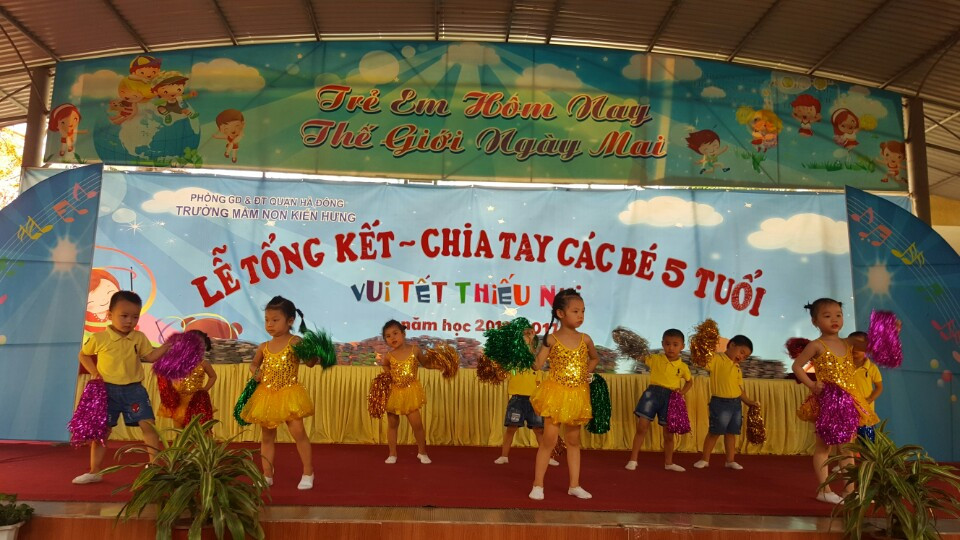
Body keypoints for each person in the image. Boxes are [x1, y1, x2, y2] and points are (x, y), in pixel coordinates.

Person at [72, 291, 171, 484]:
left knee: (148, 426)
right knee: (102, 432)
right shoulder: (100, 338)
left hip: (134, 390)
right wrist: (94, 372)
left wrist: (165, 347)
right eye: (124, 316)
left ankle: (154, 467)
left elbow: (150, 356)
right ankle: (95, 471)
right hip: (107, 391)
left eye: (135, 317)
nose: (129, 321)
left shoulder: (139, 337)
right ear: (109, 315)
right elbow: (83, 355)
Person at [791, 298, 879, 504]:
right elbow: (797, 366)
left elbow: (873, 345)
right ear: (815, 321)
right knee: (823, 447)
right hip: (828, 402)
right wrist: (812, 385)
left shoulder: (848, 343)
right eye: (827, 316)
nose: (834, 319)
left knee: (848, 450)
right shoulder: (816, 345)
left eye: (838, 315)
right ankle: (824, 490)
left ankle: (850, 491)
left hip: (849, 402)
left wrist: (890, 331)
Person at [528, 288, 599, 501]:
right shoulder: (551, 339)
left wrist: (586, 373)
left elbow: (594, 358)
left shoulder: (585, 339)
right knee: (549, 441)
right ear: (560, 313)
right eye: (575, 311)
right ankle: (538, 485)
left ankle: (574, 485)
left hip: (577, 395)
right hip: (556, 395)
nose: (581, 316)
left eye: (583, 311)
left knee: (573, 441)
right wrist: (528, 346)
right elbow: (537, 365)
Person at [240, 296, 315, 490]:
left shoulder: (295, 342)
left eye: (275, 320)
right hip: (268, 394)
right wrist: (255, 372)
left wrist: (316, 354)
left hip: (289, 393)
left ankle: (308, 472)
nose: (269, 324)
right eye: (266, 320)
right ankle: (267, 474)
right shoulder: (264, 346)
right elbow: (254, 364)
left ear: (290, 321)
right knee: (266, 436)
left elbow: (310, 362)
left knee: (298, 432)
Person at [626, 329, 693, 472]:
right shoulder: (655, 358)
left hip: (670, 399)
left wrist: (682, 392)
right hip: (652, 395)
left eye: (675, 345)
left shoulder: (683, 367)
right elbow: (639, 356)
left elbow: (689, 382)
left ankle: (669, 463)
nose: (671, 348)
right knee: (641, 427)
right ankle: (633, 460)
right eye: (667, 344)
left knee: (668, 434)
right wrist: (629, 345)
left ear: (682, 346)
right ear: (662, 344)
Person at [692, 335, 760, 470]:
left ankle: (730, 460)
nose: (742, 357)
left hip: (736, 404)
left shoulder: (737, 368)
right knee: (714, 432)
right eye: (741, 352)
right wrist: (701, 342)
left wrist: (748, 401)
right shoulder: (717, 359)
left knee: (731, 433)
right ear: (732, 345)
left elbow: (739, 388)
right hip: (720, 403)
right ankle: (705, 459)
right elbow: (702, 360)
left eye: (745, 356)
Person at [494, 328, 559, 467]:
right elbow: (501, 376)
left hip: (533, 401)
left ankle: (547, 457)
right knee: (511, 428)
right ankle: (504, 456)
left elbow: (539, 383)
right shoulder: (513, 364)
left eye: (529, 343)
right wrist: (500, 368)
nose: (526, 346)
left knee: (539, 430)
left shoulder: (535, 364)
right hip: (517, 400)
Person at [380, 320, 432, 464]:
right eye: (388, 336)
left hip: (410, 392)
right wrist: (388, 375)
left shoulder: (415, 350)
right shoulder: (389, 355)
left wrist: (441, 365)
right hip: (394, 392)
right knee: (392, 424)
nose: (392, 338)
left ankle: (422, 452)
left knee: (417, 425)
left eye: (395, 333)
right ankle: (392, 454)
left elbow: (426, 363)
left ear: (403, 333)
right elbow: (385, 365)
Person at [157, 330, 217, 427]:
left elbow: (213, 376)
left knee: (199, 427)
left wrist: (205, 389)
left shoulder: (203, 363)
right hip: (179, 399)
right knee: (179, 427)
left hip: (196, 400)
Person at [848, 331, 882, 443]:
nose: (855, 348)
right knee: (847, 444)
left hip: (865, 412)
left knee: (867, 444)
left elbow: (879, 387)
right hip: (847, 411)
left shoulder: (871, 367)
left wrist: (870, 399)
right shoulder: (843, 366)